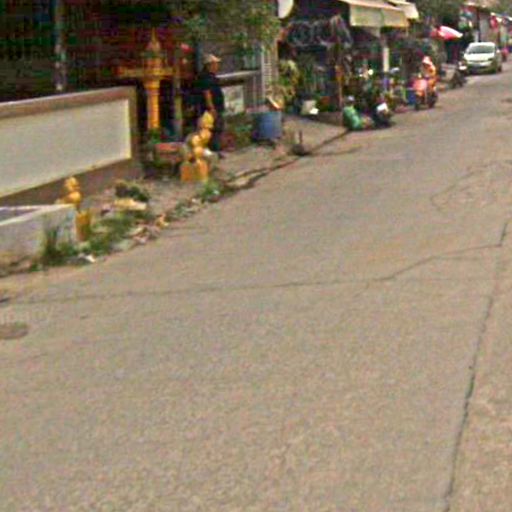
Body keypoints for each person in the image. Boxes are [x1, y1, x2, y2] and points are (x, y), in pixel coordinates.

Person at [195, 54, 225, 156]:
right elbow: (206, 93)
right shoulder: (205, 77)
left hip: (216, 107)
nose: (217, 66)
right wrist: (211, 108)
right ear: (209, 65)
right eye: (215, 64)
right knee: (213, 129)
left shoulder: (211, 76)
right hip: (211, 109)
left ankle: (215, 151)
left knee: (217, 128)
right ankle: (213, 151)